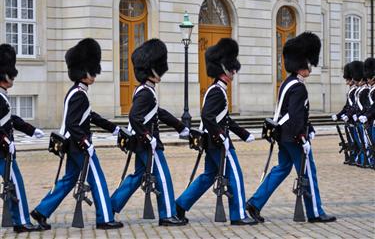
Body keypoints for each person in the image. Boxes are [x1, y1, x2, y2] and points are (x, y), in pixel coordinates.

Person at [30, 38, 123, 230]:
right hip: (79, 146)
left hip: (73, 145)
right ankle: (104, 217)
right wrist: (85, 143)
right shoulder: (79, 94)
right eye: (92, 71)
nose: (95, 75)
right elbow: (74, 124)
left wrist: (113, 128)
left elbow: (89, 116)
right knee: (97, 179)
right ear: (84, 71)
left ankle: (41, 210)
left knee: (69, 180)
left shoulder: (77, 92)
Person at [246, 32, 336, 223]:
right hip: (294, 138)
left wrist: (308, 127)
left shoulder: (288, 83)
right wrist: (302, 137)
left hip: (284, 136)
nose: (309, 69)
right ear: (300, 66)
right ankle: (314, 212)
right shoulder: (298, 87)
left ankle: (255, 203)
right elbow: (295, 116)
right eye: (307, 66)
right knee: (308, 172)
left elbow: (293, 113)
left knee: (282, 169)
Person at [175, 38, 257, 225]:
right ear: (224, 69)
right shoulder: (216, 91)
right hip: (217, 142)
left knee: (207, 177)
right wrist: (221, 137)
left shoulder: (218, 89)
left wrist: (243, 133)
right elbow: (207, 117)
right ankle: (238, 215)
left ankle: (180, 205)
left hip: (212, 141)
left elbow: (223, 118)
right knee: (235, 174)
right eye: (232, 69)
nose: (234, 72)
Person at [111, 38, 189, 226]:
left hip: (143, 143)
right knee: (163, 176)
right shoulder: (146, 92)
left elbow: (158, 113)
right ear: (151, 70)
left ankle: (109, 205)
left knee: (138, 176)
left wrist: (180, 126)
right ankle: (167, 214)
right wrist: (148, 137)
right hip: (147, 144)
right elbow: (134, 117)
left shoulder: (146, 90)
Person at [0, 44, 45, 233]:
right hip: (2, 151)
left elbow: (11, 120)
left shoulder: (2, 96)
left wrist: (31, 130)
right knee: (15, 183)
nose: (13, 78)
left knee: (12, 183)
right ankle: (22, 221)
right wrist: (6, 141)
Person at [332, 63, 357, 164]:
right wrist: (338, 115)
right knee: (351, 139)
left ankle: (358, 157)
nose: (347, 82)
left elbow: (354, 107)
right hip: (350, 118)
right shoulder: (352, 90)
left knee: (357, 140)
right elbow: (347, 106)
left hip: (354, 119)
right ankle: (353, 157)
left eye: (348, 80)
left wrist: (348, 115)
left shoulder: (356, 90)